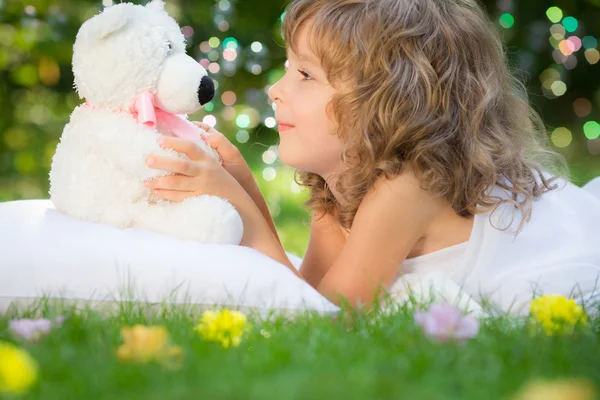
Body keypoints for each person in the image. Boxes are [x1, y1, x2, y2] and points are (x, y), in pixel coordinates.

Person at [143, 0, 600, 315]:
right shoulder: (338, 181)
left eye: (305, 74)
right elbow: (304, 295)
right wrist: (242, 185)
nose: (276, 91)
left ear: (387, 100)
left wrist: (242, 207)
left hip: (577, 237)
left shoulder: (409, 186)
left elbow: (324, 321)